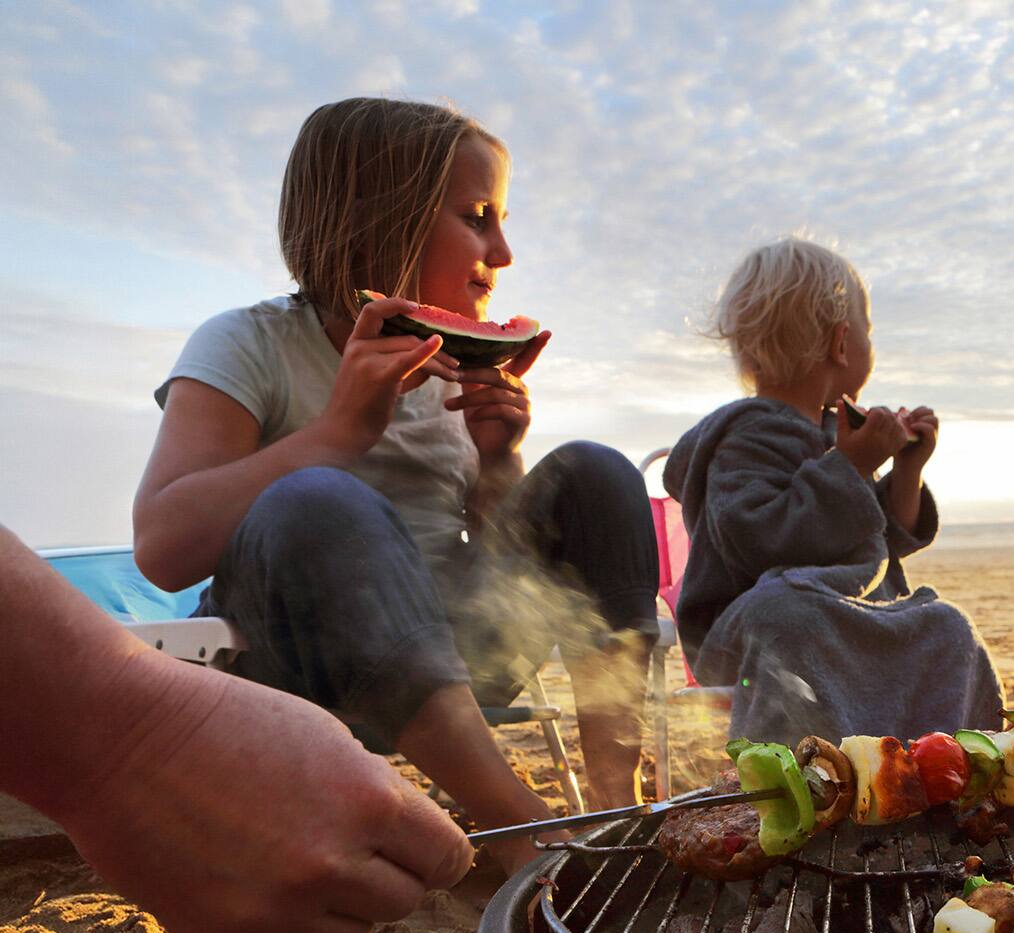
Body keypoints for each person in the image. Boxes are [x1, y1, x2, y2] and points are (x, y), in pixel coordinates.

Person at [132, 98, 660, 868]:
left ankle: (617, 802)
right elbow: (161, 547)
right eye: (478, 217)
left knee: (597, 473)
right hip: (294, 667)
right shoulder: (247, 343)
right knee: (320, 497)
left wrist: (498, 461)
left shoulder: (449, 366)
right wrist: (334, 436)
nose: (504, 251)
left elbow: (506, 581)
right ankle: (517, 825)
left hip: (453, 656)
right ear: (388, 218)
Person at [0, 526, 472, 933]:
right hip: (313, 635)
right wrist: (141, 736)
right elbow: (165, 545)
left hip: (437, 627)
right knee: (314, 501)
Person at [664, 237, 1003, 746]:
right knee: (789, 614)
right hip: (753, 631)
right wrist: (853, 463)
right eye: (869, 330)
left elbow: (875, 543)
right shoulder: (748, 433)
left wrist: (905, 472)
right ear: (842, 343)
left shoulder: (837, 432)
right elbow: (758, 539)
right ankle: (816, 777)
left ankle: (945, 765)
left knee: (946, 625)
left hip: (841, 618)